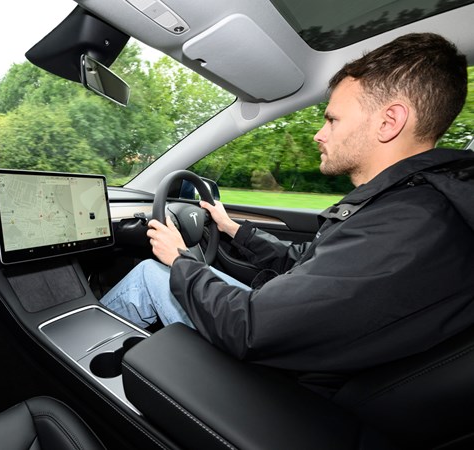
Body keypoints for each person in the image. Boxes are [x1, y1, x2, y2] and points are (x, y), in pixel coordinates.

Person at [100, 32, 474, 395]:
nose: (318, 134)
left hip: (285, 382)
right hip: (304, 358)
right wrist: (234, 229)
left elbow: (248, 328)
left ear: (389, 122)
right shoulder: (415, 209)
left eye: (332, 120)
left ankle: (81, 377)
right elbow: (308, 266)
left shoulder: (403, 224)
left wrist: (180, 259)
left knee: (152, 274)